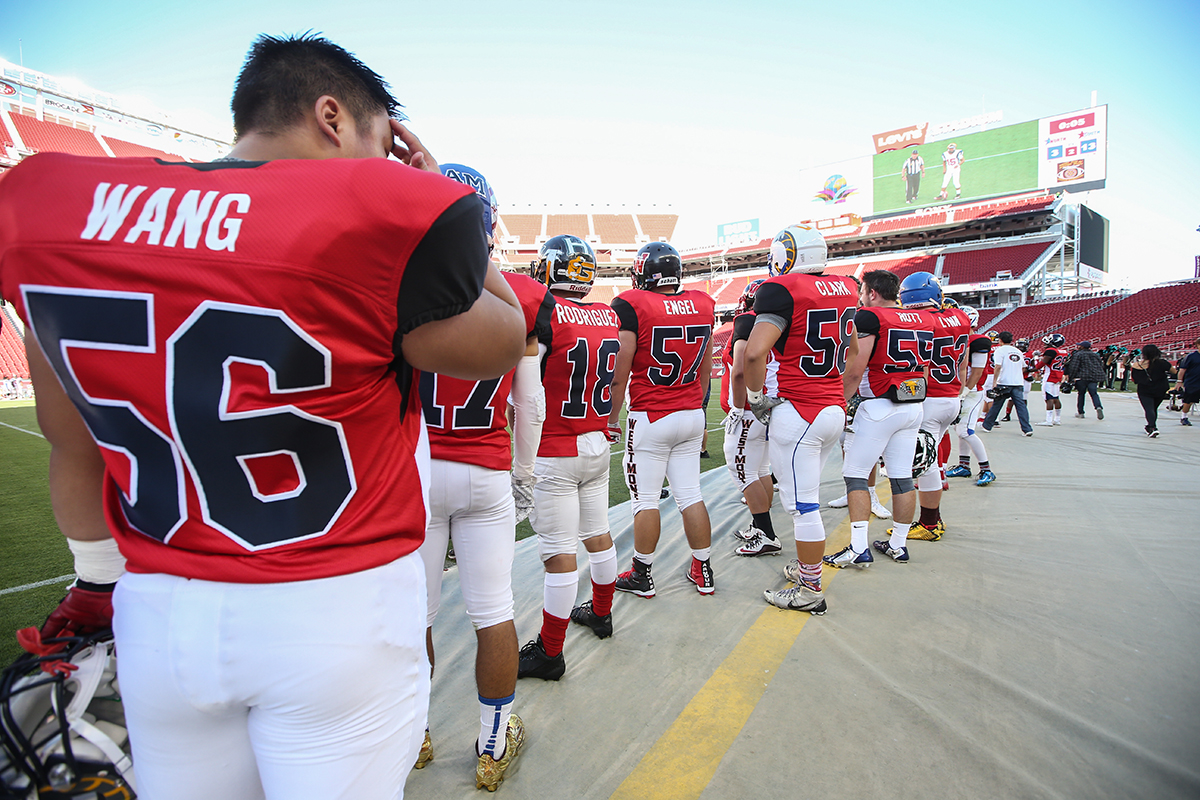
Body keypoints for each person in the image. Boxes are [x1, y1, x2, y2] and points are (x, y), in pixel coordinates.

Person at [0, 33, 528, 800]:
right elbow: (502, 335)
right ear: (333, 116)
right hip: (334, 608)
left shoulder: (53, 199)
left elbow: (68, 434)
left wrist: (96, 582)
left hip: (158, 614)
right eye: (381, 143)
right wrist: (433, 195)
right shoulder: (382, 212)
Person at [414, 164, 550, 789]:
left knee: (411, 614)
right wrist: (524, 474)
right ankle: (493, 743)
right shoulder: (522, 293)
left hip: (417, 471)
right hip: (486, 470)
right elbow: (531, 403)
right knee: (492, 613)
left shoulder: (398, 277)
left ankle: (412, 732)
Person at [516, 234, 621, 682]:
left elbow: (527, 389)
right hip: (597, 442)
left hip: (556, 447)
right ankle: (601, 614)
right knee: (598, 534)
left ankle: (551, 652)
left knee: (559, 554)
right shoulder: (607, 315)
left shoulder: (546, 312)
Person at [744, 225, 857, 612]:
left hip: (800, 411)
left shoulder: (781, 290)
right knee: (807, 498)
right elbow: (854, 349)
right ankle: (807, 569)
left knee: (803, 506)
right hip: (831, 408)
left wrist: (756, 398)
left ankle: (810, 590)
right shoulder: (846, 287)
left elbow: (755, 354)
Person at [610, 241, 717, 597]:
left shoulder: (632, 304)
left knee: (646, 500)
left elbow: (619, 372)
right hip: (690, 413)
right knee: (690, 494)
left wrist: (611, 417)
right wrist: (698, 407)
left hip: (651, 415)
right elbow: (706, 370)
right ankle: (703, 569)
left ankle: (641, 574)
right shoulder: (703, 303)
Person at [827, 269, 934, 569]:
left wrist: (840, 401)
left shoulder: (870, 318)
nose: (861, 297)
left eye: (862, 292)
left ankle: (859, 547)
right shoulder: (925, 319)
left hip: (879, 405)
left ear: (872, 293)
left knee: (856, 475)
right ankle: (898, 544)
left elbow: (855, 370)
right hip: (913, 405)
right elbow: (924, 369)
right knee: (902, 477)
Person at [900, 277, 971, 541]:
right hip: (952, 395)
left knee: (926, 464)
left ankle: (930, 523)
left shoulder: (917, 322)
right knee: (931, 459)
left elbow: (922, 368)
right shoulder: (960, 317)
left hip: (929, 398)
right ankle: (931, 520)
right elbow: (962, 362)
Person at [720, 278, 781, 554]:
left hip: (750, 408)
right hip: (769, 404)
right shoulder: (779, 321)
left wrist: (737, 407)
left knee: (742, 469)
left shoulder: (747, 321)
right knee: (761, 469)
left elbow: (741, 370)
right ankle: (761, 526)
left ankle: (767, 534)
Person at [945, 307, 998, 486]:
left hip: (972, 391)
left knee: (965, 431)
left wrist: (965, 391)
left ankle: (986, 469)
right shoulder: (962, 339)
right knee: (960, 431)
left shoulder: (978, 340)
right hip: (962, 391)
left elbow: (977, 371)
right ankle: (964, 466)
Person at [980, 332, 1033, 435]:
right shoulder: (1017, 351)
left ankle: (987, 425)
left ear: (1000, 340)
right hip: (1017, 382)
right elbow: (1024, 367)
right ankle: (1027, 429)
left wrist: (995, 381)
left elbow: (998, 366)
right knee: (1021, 406)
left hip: (1004, 381)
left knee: (997, 404)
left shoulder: (1000, 351)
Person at [1131, 344, 1176, 437]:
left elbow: (1135, 379)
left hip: (1145, 390)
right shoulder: (1162, 363)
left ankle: (1152, 427)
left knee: (1149, 409)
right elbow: (1174, 372)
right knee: (1154, 408)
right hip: (1160, 389)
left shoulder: (1137, 365)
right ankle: (1150, 426)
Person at [1064, 340, 1106, 419]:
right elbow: (1100, 365)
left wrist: (1071, 378)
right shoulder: (1095, 355)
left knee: (1081, 394)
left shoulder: (1078, 355)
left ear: (1082, 347)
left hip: (1082, 377)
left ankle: (1081, 412)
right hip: (1093, 377)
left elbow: (1074, 367)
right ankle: (1098, 407)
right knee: (1094, 394)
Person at [1035, 333, 1067, 426]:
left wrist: (1036, 359)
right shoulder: (1063, 351)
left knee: (1049, 398)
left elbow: (1039, 365)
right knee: (1056, 398)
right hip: (1058, 376)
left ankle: (1048, 420)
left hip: (1049, 377)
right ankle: (1057, 419)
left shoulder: (1051, 351)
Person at [1175, 337, 1200, 426]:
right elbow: (1182, 370)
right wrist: (1179, 381)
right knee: (1188, 401)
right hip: (1192, 382)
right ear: (1197, 345)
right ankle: (1184, 417)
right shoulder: (1191, 357)